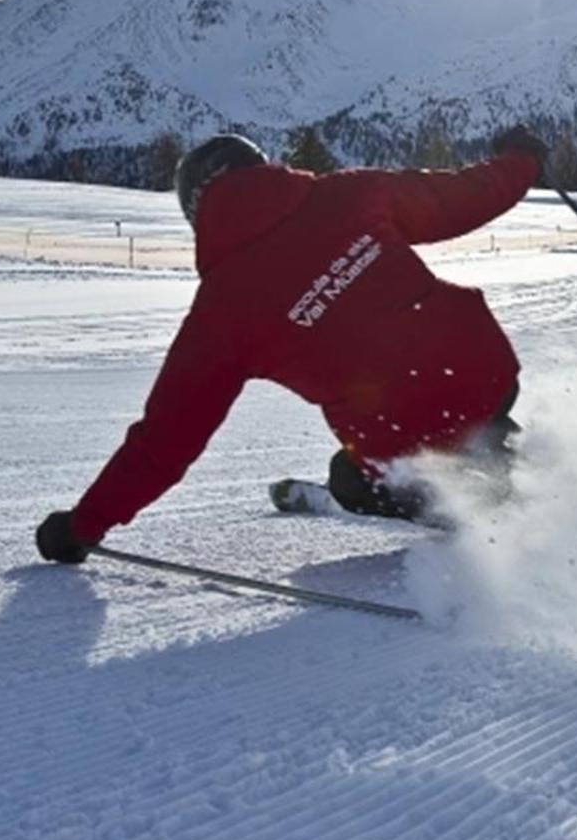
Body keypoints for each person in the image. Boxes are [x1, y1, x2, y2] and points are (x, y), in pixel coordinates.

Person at [35, 126, 547, 563]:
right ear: (262, 168)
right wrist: (521, 161)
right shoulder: (348, 194)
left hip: (400, 436)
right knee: (468, 415)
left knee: (350, 478)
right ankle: (538, 469)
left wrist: (83, 526)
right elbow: (465, 194)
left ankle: (481, 509)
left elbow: (164, 443)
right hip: (485, 373)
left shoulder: (221, 312)